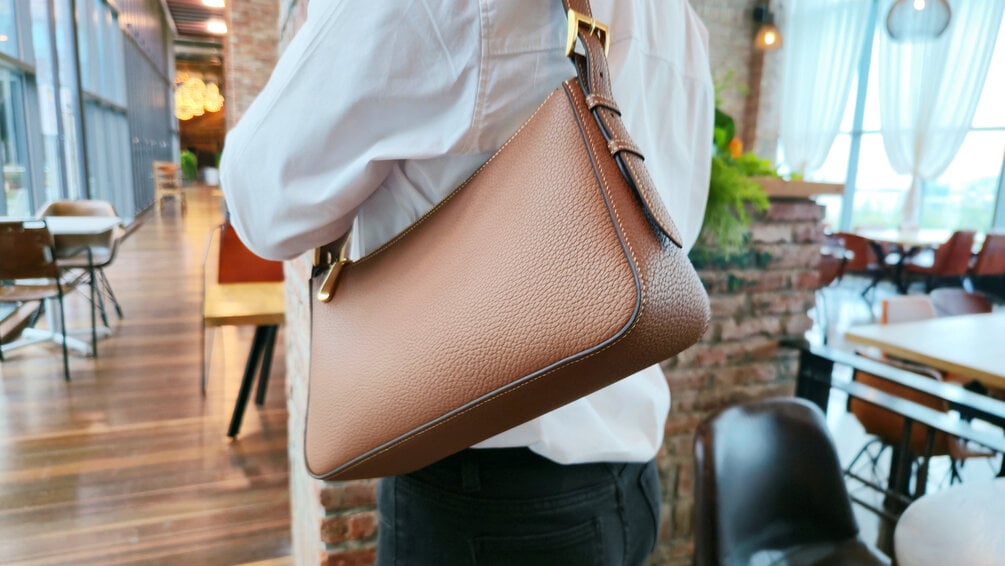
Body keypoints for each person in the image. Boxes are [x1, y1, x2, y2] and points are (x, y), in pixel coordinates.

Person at [221, 1, 713, 564]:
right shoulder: (681, 20)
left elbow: (264, 206)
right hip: (630, 482)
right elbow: (677, 225)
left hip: (481, 504)